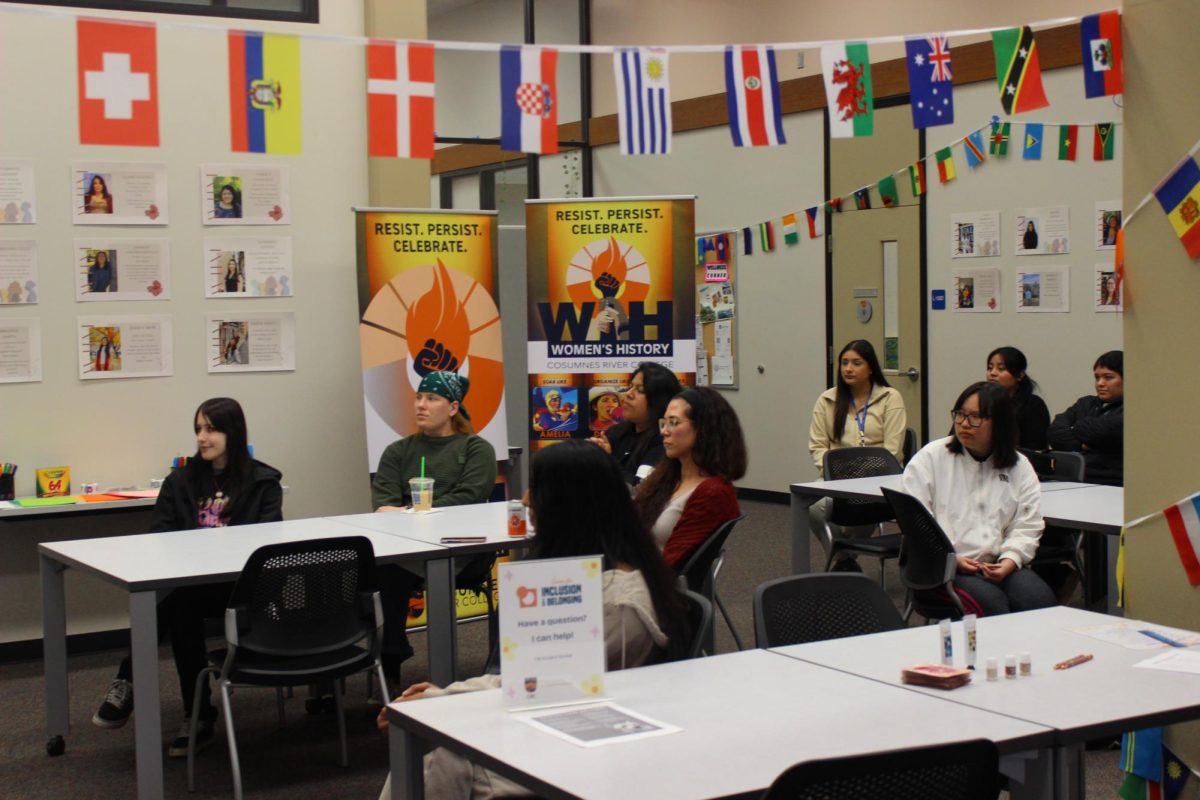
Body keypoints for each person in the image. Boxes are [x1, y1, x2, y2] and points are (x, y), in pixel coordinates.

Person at [376, 440, 691, 799]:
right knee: (438, 740)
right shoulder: (598, 574)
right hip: (556, 721)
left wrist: (442, 700)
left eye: (536, 489)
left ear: (565, 503)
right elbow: (534, 682)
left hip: (583, 749)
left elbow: (541, 686)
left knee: (439, 754)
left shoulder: (616, 603)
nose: (525, 500)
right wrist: (444, 699)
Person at [92, 398, 283, 759]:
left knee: (177, 603)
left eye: (211, 429)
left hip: (241, 589)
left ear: (233, 432)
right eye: (198, 428)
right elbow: (160, 535)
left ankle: (132, 682)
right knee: (180, 605)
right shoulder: (181, 481)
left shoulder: (262, 482)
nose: (201, 437)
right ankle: (196, 714)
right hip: (193, 585)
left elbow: (266, 541)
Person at [371, 371, 497, 680]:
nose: (421, 405)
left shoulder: (476, 449)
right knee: (378, 567)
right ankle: (383, 654)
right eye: (418, 397)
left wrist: (411, 511)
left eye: (432, 398)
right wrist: (412, 514)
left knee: (390, 570)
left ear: (453, 408)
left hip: (463, 547)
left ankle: (390, 659)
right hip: (405, 545)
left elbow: (468, 499)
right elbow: (384, 504)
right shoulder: (397, 451)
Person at [902, 382, 1055, 616]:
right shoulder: (931, 458)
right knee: (992, 604)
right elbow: (916, 523)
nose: (964, 423)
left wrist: (1011, 559)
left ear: (1000, 423)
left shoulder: (1019, 465)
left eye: (975, 417)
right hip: (943, 568)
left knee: (1039, 600)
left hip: (997, 563)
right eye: (961, 414)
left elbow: (1028, 523)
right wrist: (952, 559)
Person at [808, 340, 907, 571]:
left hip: (879, 479)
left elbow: (892, 450)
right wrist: (839, 474)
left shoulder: (890, 398)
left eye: (856, 363)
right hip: (836, 478)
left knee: (865, 502)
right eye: (844, 363)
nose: (848, 369)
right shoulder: (828, 400)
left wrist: (862, 475)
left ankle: (843, 555)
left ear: (870, 367)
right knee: (813, 507)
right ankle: (844, 558)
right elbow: (817, 447)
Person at [634, 387, 747, 570]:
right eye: (664, 422)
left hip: (655, 589)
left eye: (674, 422)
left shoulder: (713, 494)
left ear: (703, 428)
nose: (664, 431)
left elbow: (672, 566)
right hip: (638, 575)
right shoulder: (669, 476)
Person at [588, 362, 681, 486]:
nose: (628, 394)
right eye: (630, 387)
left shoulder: (665, 440)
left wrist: (608, 461)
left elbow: (640, 489)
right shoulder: (615, 432)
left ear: (659, 400)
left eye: (640, 390)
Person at [1047, 350, 1124, 486]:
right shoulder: (1085, 403)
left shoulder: (1135, 410)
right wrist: (1082, 444)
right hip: (1071, 480)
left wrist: (1077, 428)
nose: (1100, 383)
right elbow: (1055, 432)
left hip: (1111, 483)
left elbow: (1108, 431)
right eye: (1097, 377)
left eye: (1108, 377)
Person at [985, 346, 1050, 450]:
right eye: (990, 368)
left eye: (1001, 369)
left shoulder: (1033, 405)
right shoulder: (979, 401)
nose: (992, 373)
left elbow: (1035, 450)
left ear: (1020, 375)